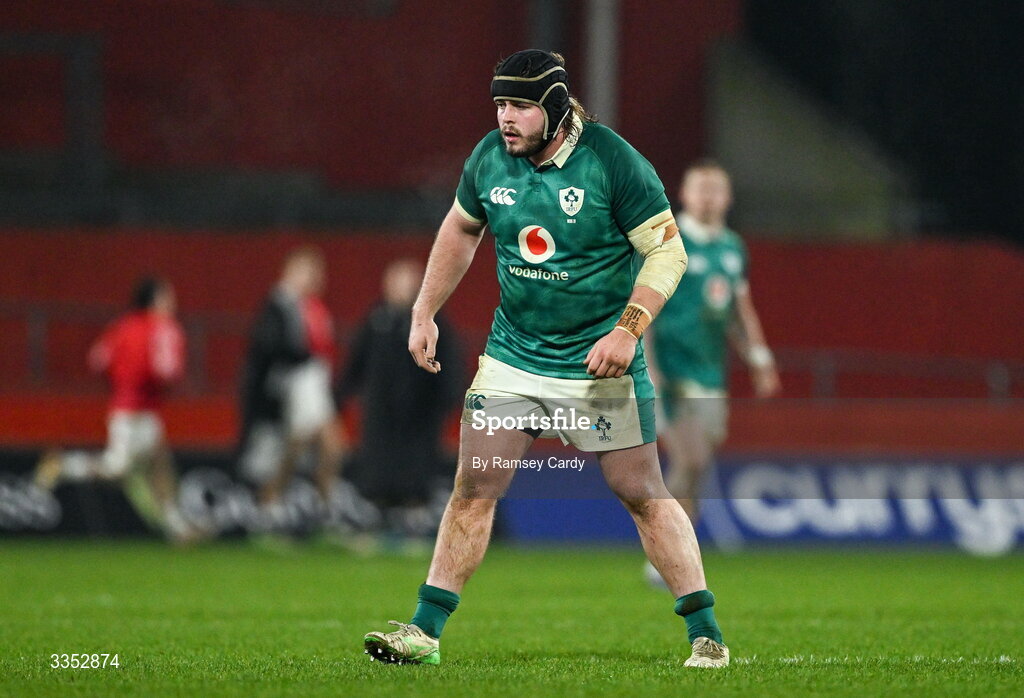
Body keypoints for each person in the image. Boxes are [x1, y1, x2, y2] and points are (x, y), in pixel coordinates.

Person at [363, 49, 728, 668]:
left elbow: (668, 255)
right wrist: (423, 311)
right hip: (514, 357)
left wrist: (628, 332)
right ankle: (424, 633)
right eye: (501, 104)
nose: (506, 118)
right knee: (473, 487)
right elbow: (460, 228)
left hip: (598, 361)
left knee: (640, 491)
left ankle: (707, 635)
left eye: (521, 106)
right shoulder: (488, 157)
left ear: (555, 108)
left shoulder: (613, 161)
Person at [644, 161, 780, 577]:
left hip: (709, 374)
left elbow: (738, 312)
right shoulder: (668, 241)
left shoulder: (732, 248)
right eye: (699, 189)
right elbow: (642, 303)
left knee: (697, 465)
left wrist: (759, 359)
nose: (707, 197)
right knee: (691, 457)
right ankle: (664, 553)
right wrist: (649, 368)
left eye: (715, 190)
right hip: (669, 368)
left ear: (727, 198)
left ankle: (678, 545)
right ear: (683, 195)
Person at [33, 277, 196, 542]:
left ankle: (176, 526)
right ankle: (64, 465)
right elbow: (166, 370)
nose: (173, 302)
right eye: (168, 297)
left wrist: (122, 380)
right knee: (117, 468)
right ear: (155, 300)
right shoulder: (162, 328)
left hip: (128, 406)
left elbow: (97, 360)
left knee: (159, 462)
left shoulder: (120, 327)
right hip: (137, 410)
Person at [336, 259, 462, 515]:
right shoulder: (375, 321)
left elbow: (449, 364)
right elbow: (356, 363)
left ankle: (413, 520)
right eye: (396, 283)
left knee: (415, 473)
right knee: (378, 471)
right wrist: (338, 397)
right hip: (380, 412)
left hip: (420, 412)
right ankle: (378, 519)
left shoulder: (434, 323)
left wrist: (451, 398)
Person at [238, 246, 345, 520]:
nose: (314, 278)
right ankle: (309, 508)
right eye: (308, 271)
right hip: (292, 387)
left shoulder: (312, 308)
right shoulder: (278, 304)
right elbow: (267, 348)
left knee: (310, 447)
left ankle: (290, 504)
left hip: (312, 384)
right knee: (323, 445)